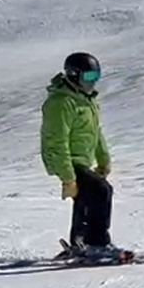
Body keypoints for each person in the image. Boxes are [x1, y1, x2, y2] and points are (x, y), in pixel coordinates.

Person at [40, 52, 123, 260]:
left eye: (96, 76)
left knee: (86, 197)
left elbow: (96, 132)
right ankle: (96, 243)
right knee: (101, 190)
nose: (93, 82)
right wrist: (68, 177)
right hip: (65, 159)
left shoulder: (86, 101)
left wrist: (104, 161)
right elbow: (56, 141)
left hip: (81, 159)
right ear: (73, 75)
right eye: (88, 77)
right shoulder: (60, 103)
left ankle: (79, 240)